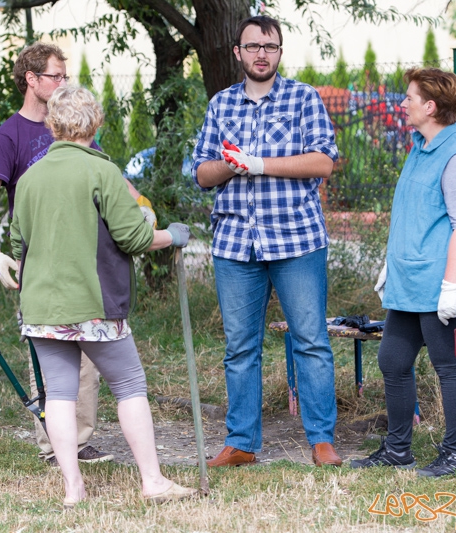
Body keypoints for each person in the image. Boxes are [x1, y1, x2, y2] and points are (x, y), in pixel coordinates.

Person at [11, 85, 195, 507]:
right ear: (95, 124)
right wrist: (172, 235)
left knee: (58, 394)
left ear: (51, 124)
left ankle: (73, 488)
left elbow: (19, 245)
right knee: (129, 384)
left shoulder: (30, 177)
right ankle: (152, 481)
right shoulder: (103, 172)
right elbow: (133, 237)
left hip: (40, 306)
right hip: (93, 305)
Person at [0, 42, 150, 465]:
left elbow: (106, 178)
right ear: (31, 80)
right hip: (42, 262)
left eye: (64, 76)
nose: (62, 82)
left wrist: (139, 203)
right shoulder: (9, 136)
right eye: (55, 75)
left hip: (86, 263)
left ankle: (79, 441)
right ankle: (53, 447)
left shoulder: (71, 124)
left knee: (86, 367)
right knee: (54, 368)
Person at [192, 15, 342, 468]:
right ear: (237, 52)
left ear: (279, 53)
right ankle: (241, 443)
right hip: (236, 243)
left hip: (297, 240)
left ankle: (322, 441)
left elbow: (322, 163)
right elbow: (201, 173)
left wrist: (260, 163)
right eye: (253, 46)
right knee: (240, 347)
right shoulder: (221, 105)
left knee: (310, 341)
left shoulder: (304, 98)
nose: (262, 54)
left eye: (270, 47)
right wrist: (231, 165)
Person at [351, 68, 456, 477]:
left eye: (409, 97)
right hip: (409, 282)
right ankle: (397, 449)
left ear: (430, 106)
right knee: (392, 360)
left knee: (449, 366)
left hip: (440, 286)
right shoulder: (420, 147)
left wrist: (450, 288)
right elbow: (414, 214)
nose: (402, 103)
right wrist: (391, 262)